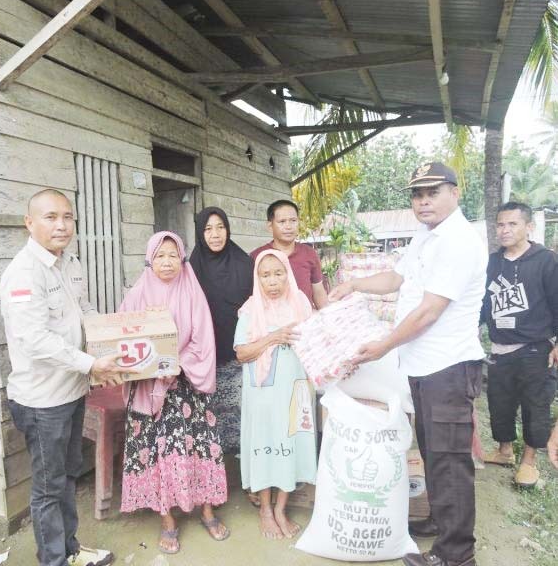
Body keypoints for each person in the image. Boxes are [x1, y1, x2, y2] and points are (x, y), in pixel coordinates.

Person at [329, 162, 486, 566]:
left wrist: (383, 345)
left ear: (454, 192)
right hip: (423, 367)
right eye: (417, 194)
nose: (423, 201)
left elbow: (429, 311)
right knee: (434, 453)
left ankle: (456, 556)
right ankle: (441, 521)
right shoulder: (426, 236)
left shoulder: (459, 241)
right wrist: (353, 284)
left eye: (432, 192)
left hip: (448, 369)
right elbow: (397, 280)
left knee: (450, 462)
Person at [0, 189, 131, 566]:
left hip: (72, 391)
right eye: (50, 217)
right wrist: (92, 365)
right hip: (43, 401)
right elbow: (34, 339)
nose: (61, 225)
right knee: (47, 487)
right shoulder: (24, 273)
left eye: (67, 217)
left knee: (67, 475)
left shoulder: (70, 261)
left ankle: (70, 550)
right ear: (30, 223)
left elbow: (84, 310)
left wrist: (111, 342)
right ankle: (53, 560)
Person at [119, 231, 228, 555]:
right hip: (150, 386)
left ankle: (206, 510)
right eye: (160, 256)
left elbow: (203, 338)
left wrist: (178, 364)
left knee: (199, 447)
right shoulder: (137, 293)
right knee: (159, 450)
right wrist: (150, 365)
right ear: (149, 259)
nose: (166, 262)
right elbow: (124, 339)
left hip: (187, 384)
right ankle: (167, 519)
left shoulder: (192, 291)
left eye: (173, 256)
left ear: (182, 259)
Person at [234, 249, 316, 540]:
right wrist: (273, 336)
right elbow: (242, 353)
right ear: (257, 278)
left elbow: (315, 344)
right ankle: (265, 509)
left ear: (287, 273)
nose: (272, 281)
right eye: (265, 275)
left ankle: (281, 507)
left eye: (278, 273)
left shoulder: (301, 304)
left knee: (289, 444)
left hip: (295, 391)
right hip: (263, 395)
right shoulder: (250, 309)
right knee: (265, 446)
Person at [480, 202, 558, 487]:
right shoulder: (492, 262)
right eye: (501, 224)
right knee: (499, 402)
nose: (505, 230)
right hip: (500, 348)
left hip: (535, 348)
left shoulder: (546, 260)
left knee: (535, 406)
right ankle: (504, 451)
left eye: (512, 224)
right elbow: (483, 303)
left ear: (529, 227)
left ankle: (528, 461)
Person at [189, 207, 253, 452]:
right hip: (204, 357)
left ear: (228, 229)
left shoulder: (245, 263)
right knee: (208, 417)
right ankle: (213, 469)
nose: (215, 234)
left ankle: (242, 464)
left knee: (240, 412)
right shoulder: (191, 269)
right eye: (208, 228)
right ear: (199, 233)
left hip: (240, 355)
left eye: (220, 227)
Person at [250, 199, 328, 310]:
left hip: (305, 321)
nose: (288, 226)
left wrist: (326, 318)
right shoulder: (258, 257)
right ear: (270, 226)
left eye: (293, 220)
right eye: (282, 222)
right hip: (273, 324)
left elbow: (318, 291)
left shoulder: (309, 253)